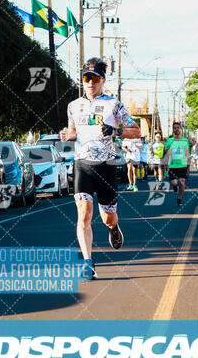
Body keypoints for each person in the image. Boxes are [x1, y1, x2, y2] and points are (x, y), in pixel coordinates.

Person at [59, 57, 140, 280]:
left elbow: (136, 131)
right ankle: (88, 263)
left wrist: (116, 132)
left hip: (106, 166)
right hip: (82, 165)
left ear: (103, 80)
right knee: (84, 213)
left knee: (107, 217)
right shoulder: (73, 106)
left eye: (94, 78)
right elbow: (74, 132)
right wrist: (68, 135)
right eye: (86, 78)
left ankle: (114, 228)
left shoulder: (114, 105)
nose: (90, 82)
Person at [164, 122, 190, 206]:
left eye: (178, 127)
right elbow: (166, 152)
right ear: (173, 130)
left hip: (182, 165)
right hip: (172, 165)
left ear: (180, 129)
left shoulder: (185, 140)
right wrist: (165, 163)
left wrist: (188, 166)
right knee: (174, 182)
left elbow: (187, 153)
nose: (177, 129)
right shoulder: (170, 140)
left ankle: (179, 199)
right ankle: (175, 187)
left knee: (182, 182)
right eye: (175, 128)